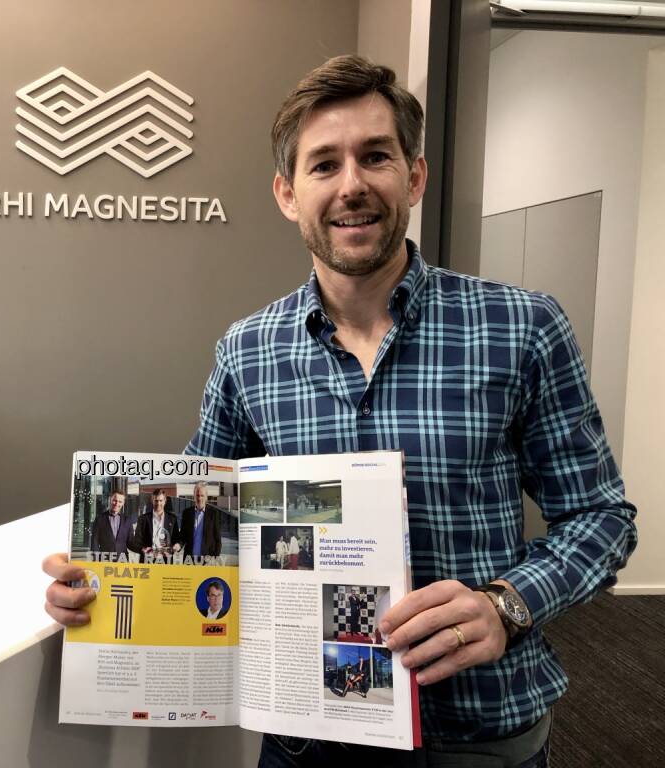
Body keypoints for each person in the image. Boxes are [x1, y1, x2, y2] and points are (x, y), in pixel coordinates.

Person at [45, 54, 636, 766]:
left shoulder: (521, 327)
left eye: (375, 156)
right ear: (288, 194)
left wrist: (506, 604)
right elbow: (201, 523)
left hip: (473, 736)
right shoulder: (248, 350)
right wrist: (105, 583)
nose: (351, 184)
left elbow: (601, 518)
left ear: (413, 176)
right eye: (324, 164)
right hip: (305, 738)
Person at [178, 481, 222, 560]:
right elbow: (183, 536)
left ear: (206, 497)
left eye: (202, 495)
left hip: (207, 561)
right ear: (194, 496)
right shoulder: (187, 513)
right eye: (197, 495)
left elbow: (218, 539)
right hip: (189, 560)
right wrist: (178, 545)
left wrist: (215, 558)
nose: (199, 498)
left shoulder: (213, 514)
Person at [134, 489, 180, 555]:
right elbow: (137, 541)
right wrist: (143, 549)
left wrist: (174, 548)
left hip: (166, 559)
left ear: (165, 501)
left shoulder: (172, 519)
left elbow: (176, 539)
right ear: (152, 501)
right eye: (156, 500)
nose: (158, 503)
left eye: (161, 500)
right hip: (148, 558)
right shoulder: (143, 519)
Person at [87, 490, 133, 555]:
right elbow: (95, 542)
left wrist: (142, 549)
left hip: (122, 559)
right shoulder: (99, 519)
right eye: (115, 500)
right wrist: (96, 558)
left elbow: (131, 542)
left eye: (120, 501)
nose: (117, 504)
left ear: (123, 503)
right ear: (110, 500)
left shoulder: (127, 520)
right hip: (105, 558)